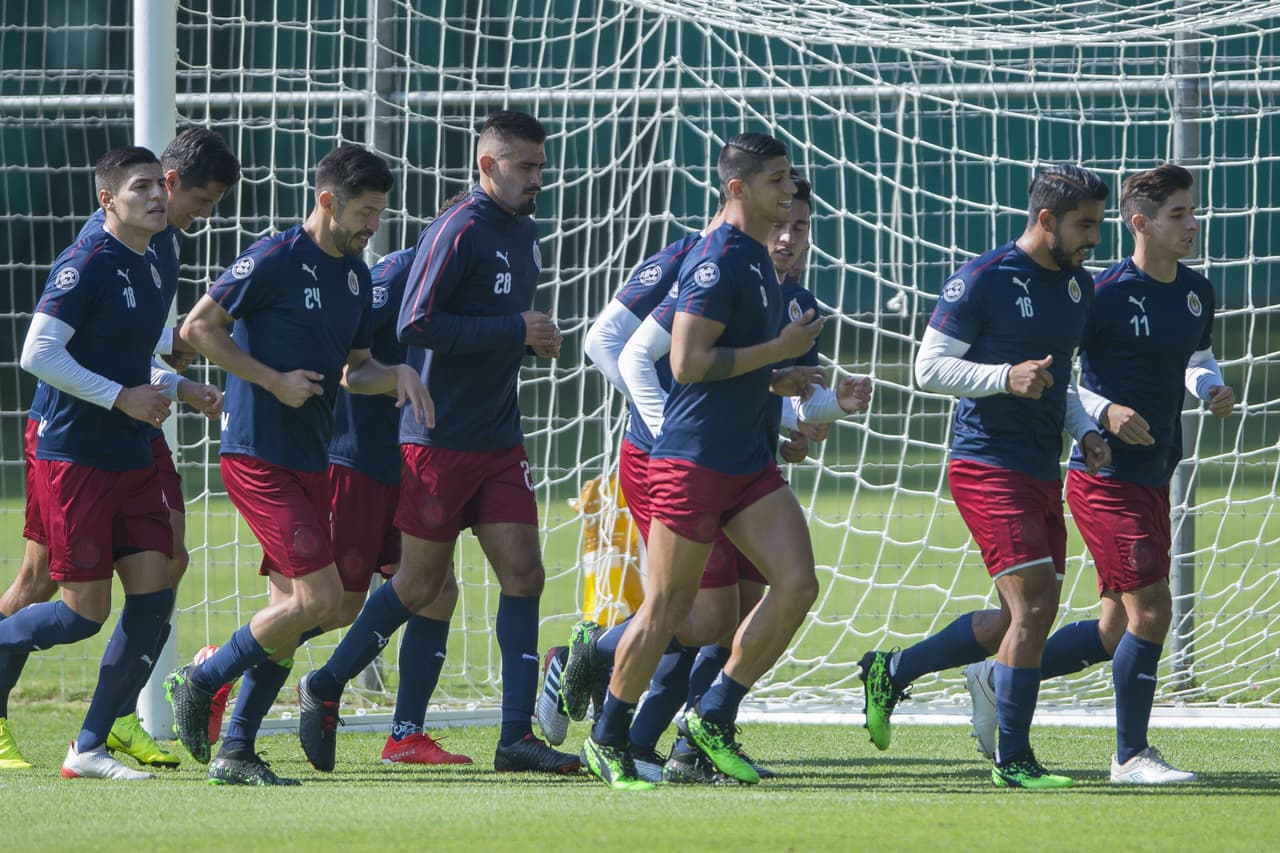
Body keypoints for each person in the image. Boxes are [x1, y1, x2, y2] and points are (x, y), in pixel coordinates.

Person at [295, 110, 578, 776]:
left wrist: (532, 341)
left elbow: (495, 328)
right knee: (421, 583)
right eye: (525, 166)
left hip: (498, 436)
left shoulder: (527, 232)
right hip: (437, 438)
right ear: (488, 166)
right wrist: (515, 328)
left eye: (541, 165)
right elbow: (418, 320)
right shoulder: (458, 228)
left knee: (526, 573)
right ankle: (326, 682)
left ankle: (515, 738)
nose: (538, 178)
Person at [165, 144, 431, 786]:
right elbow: (198, 329)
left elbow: (354, 369)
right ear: (327, 201)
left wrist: (394, 374)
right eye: (364, 212)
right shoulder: (276, 256)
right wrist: (270, 380)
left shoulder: (356, 275)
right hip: (258, 454)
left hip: (310, 459)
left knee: (312, 609)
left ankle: (235, 750)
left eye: (379, 213)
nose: (373, 225)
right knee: (320, 597)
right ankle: (201, 679)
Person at [965, 163, 1233, 784]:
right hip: (1105, 477)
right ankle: (1130, 755)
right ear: (1140, 223)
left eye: (1193, 212)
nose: (1192, 224)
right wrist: (1102, 413)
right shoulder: (1103, 293)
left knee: (1117, 630)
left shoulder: (1197, 291)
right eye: (1178, 215)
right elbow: (1064, 373)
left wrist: (1210, 384)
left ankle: (997, 673)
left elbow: (1195, 355)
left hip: (1156, 472)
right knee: (1152, 613)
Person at [579, 132, 825, 790]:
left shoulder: (762, 263)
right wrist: (777, 349)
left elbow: (740, 366)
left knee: (798, 583)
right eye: (776, 180)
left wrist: (787, 379)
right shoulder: (717, 258)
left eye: (791, 178)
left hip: (747, 461)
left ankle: (711, 716)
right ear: (738, 189)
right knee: (668, 609)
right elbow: (686, 363)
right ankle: (607, 738)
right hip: (694, 461)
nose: (788, 190)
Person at [0, 129, 237, 772]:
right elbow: (38, 354)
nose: (161, 199)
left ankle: (93, 742)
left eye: (159, 187)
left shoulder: (161, 255)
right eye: (143, 188)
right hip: (73, 448)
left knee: (158, 584)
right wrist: (120, 397)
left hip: (130, 445)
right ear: (109, 198)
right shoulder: (88, 260)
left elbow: (138, 358)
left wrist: (178, 385)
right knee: (75, 609)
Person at [878, 164, 1111, 789]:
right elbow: (928, 368)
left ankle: (894, 668)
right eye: (1084, 225)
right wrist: (1002, 376)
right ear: (1045, 220)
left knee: (1019, 619)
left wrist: (1083, 430)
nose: (1094, 238)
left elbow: (1057, 381)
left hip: (1040, 467)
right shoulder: (981, 279)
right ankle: (1014, 758)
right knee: (1034, 604)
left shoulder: (1076, 288)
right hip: (984, 462)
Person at [326, 241, 468, 766]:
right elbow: (347, 358)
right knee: (330, 604)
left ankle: (406, 733)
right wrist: (394, 379)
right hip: (357, 458)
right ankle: (225, 667)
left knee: (436, 589)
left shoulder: (473, 275)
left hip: (414, 460)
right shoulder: (399, 272)